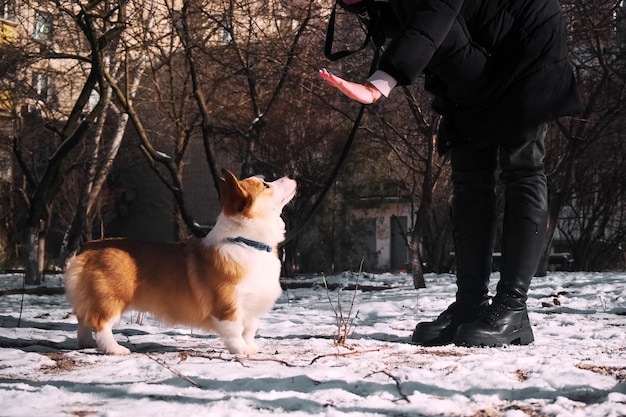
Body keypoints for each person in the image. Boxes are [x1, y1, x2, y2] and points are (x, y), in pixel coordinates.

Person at [320, 0, 583, 347]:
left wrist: (379, 84)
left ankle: (512, 309)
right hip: (474, 52)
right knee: (469, 174)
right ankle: (471, 304)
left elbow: (433, 18)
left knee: (522, 168)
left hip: (527, 44)